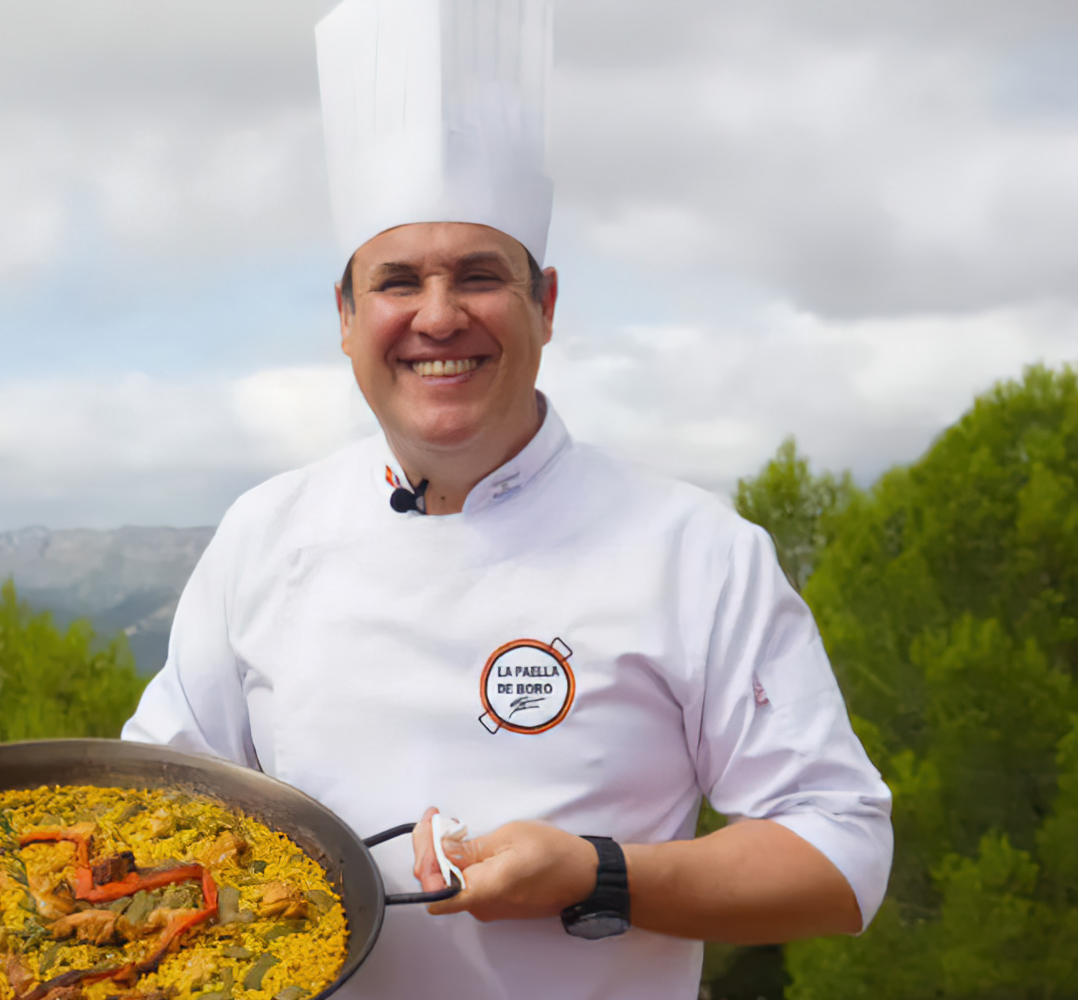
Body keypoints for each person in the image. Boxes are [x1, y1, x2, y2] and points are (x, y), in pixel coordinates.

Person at [123, 1, 893, 997]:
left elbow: (839, 858)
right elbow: (152, 809)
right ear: (345, 318)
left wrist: (597, 874)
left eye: (478, 276)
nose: (438, 316)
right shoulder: (262, 533)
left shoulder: (694, 550)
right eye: (397, 281)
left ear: (546, 305)